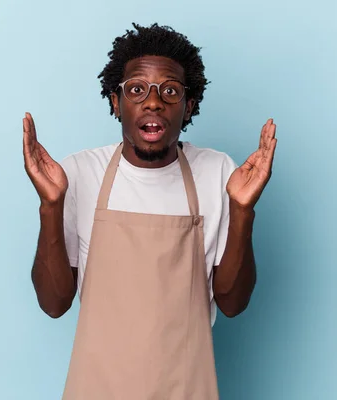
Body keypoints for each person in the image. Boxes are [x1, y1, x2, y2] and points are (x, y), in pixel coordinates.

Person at [23, 23, 277, 400]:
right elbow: (54, 303)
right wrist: (50, 206)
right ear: (116, 101)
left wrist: (242, 211)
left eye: (169, 91)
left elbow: (233, 303)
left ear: (188, 105)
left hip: (186, 389)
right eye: (137, 89)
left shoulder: (219, 173)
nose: (153, 102)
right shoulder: (78, 173)